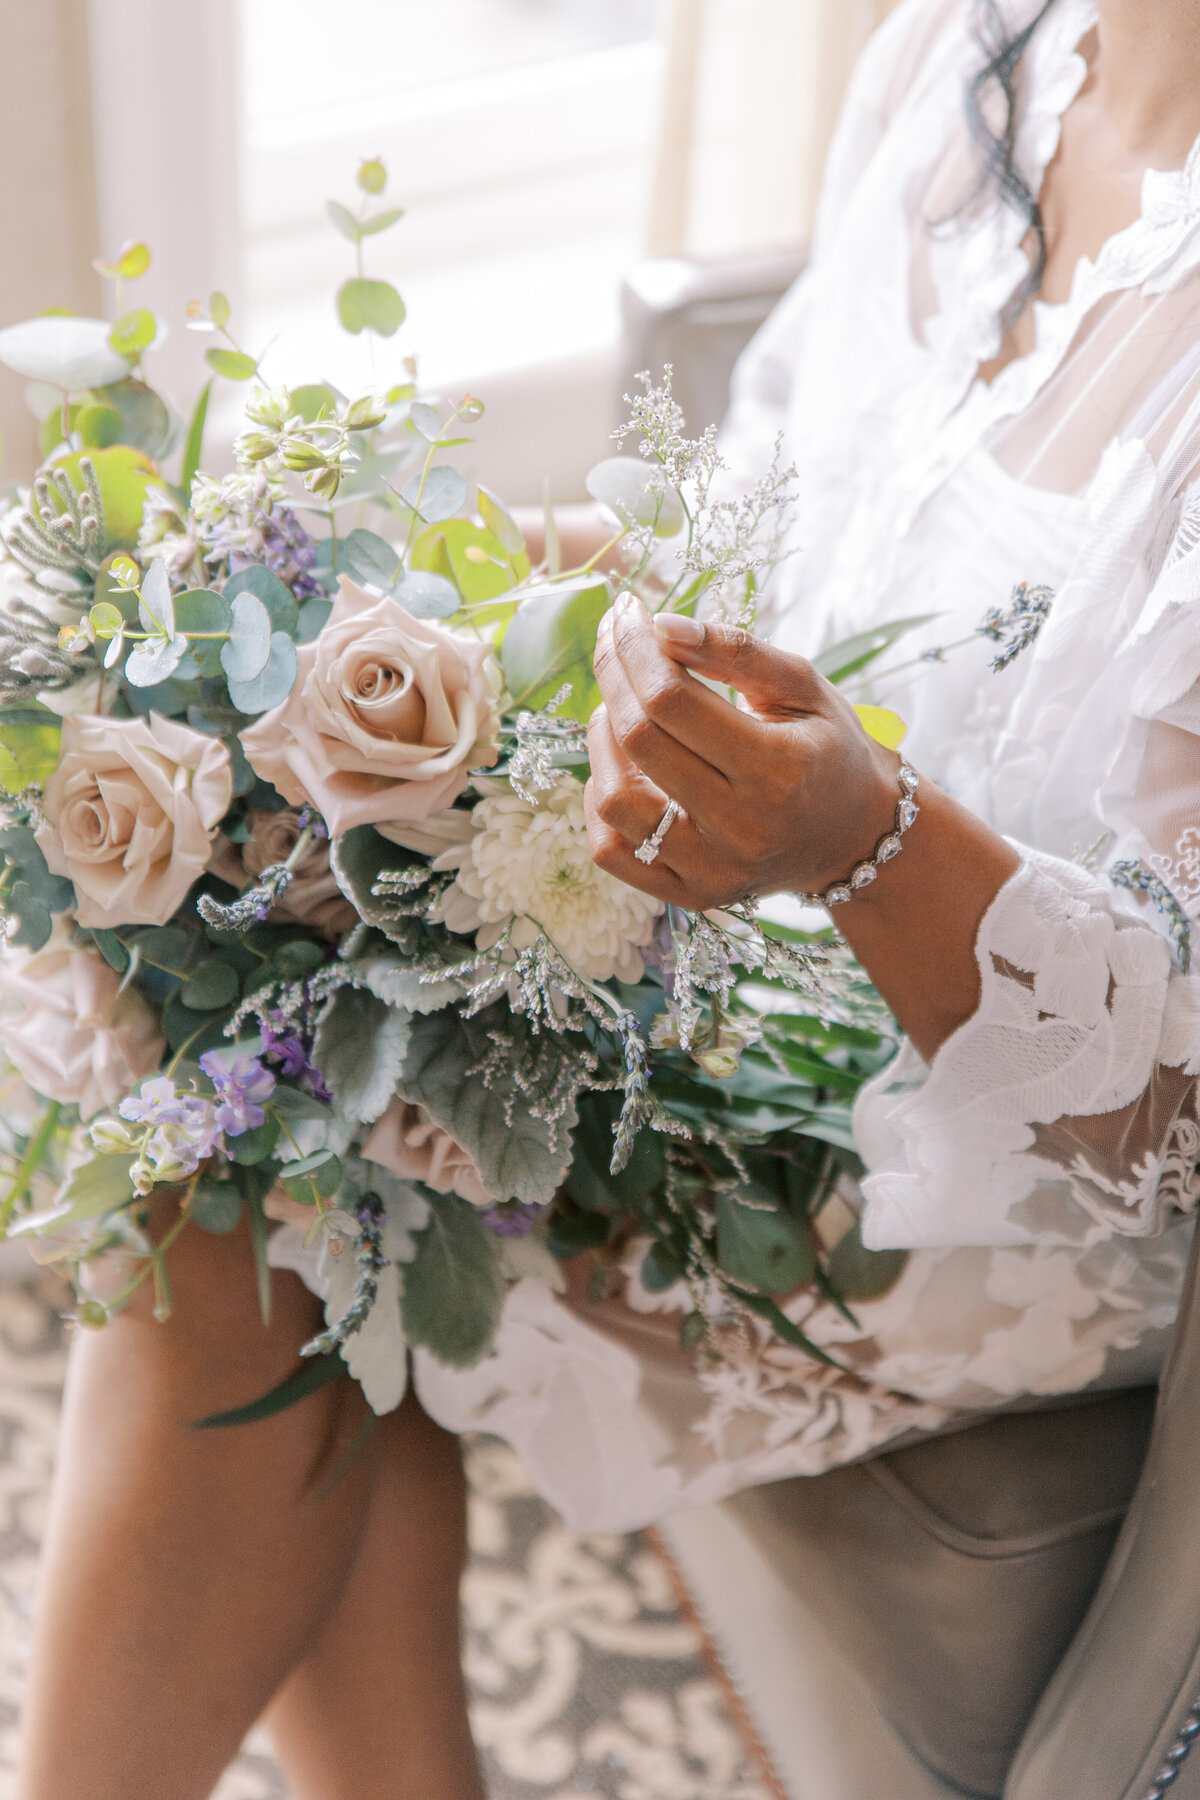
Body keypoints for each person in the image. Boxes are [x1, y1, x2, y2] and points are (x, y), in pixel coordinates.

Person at [17, 0, 1200, 1795]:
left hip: (1009, 1144)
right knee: (267, 1077)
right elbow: (772, 518)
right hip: (764, 938)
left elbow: (1175, 1097)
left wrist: (867, 843)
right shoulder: (975, 47)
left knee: (258, 1190)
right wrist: (404, 605)